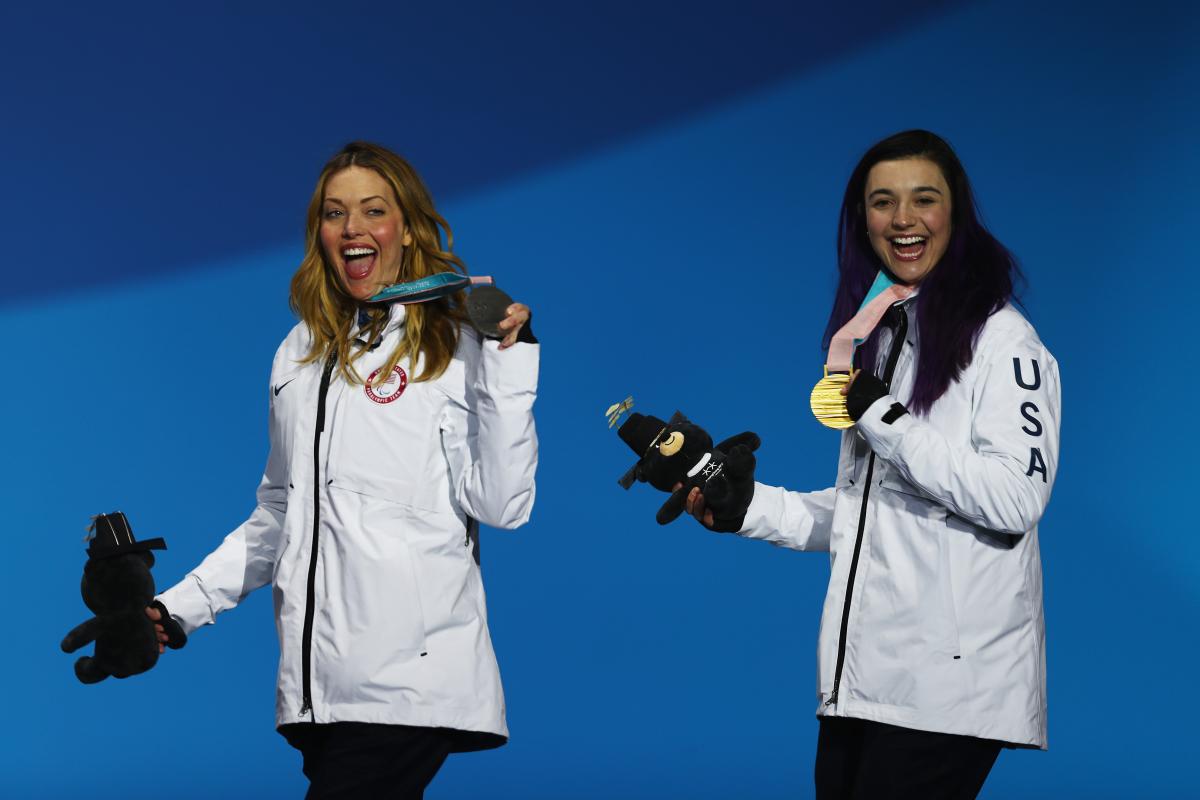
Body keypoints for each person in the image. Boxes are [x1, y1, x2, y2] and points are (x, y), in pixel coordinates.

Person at [146, 141, 539, 799]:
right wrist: (174, 612)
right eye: (335, 213)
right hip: (318, 694)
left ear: (406, 228)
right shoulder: (299, 352)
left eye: (373, 210)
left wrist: (509, 359)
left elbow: (504, 505)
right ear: (319, 233)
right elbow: (280, 515)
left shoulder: (455, 343)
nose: (353, 228)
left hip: (407, 688)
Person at [682, 130, 1059, 799]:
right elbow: (872, 515)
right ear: (863, 220)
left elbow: (1014, 499)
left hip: (949, 692)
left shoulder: (1005, 343)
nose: (903, 219)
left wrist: (882, 416)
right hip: (865, 686)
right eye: (883, 202)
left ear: (958, 214)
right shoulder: (886, 338)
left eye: (924, 199)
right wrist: (750, 508)